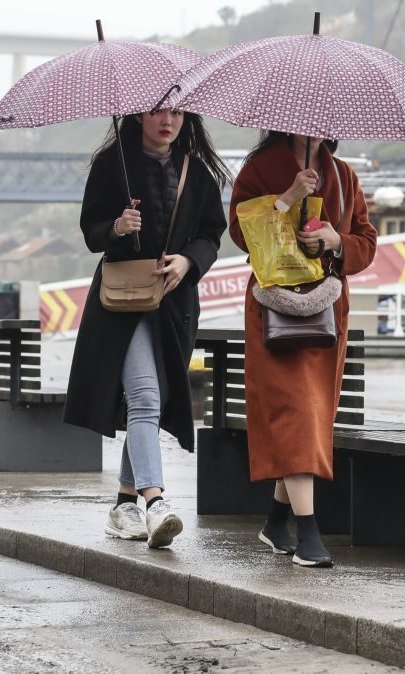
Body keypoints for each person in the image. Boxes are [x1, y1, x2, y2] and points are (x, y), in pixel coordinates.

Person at [64, 109, 230, 549]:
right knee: (145, 396)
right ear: (139, 116)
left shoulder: (197, 171)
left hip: (175, 305)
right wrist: (117, 227)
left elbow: (214, 232)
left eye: (177, 112)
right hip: (123, 303)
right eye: (158, 112)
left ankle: (123, 504)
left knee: (150, 405)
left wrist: (189, 260)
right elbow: (91, 231)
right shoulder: (112, 164)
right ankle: (156, 501)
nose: (168, 121)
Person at [229, 132, 378, 567]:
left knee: (311, 417)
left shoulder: (344, 175)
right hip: (274, 308)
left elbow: (366, 241)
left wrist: (335, 242)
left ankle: (277, 521)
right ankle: (309, 532)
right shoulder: (258, 170)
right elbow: (240, 232)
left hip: (327, 310)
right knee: (295, 412)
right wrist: (287, 196)